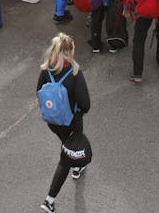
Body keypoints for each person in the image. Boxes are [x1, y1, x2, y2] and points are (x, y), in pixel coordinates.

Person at [37, 34, 90, 212]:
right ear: (70, 51)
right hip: (71, 123)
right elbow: (85, 104)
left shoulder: (45, 70)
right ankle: (49, 200)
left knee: (67, 144)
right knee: (65, 158)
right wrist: (77, 115)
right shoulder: (74, 72)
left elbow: (38, 92)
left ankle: (78, 166)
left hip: (53, 121)